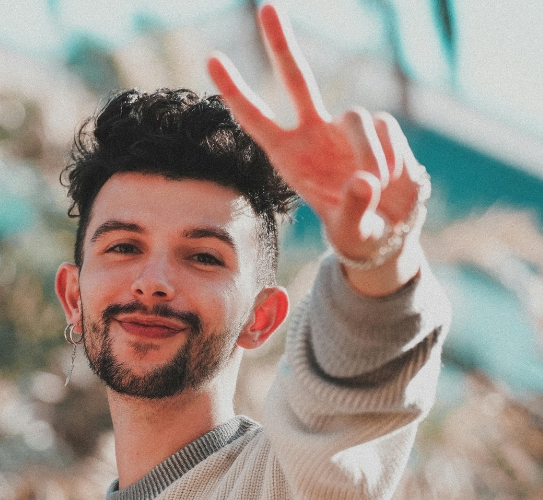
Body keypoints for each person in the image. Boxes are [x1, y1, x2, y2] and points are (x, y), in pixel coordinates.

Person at [54, 4, 451, 499]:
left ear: (260, 317)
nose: (152, 279)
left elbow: (343, 417)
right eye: (123, 246)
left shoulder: (281, 486)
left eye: (203, 256)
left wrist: (379, 261)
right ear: (73, 296)